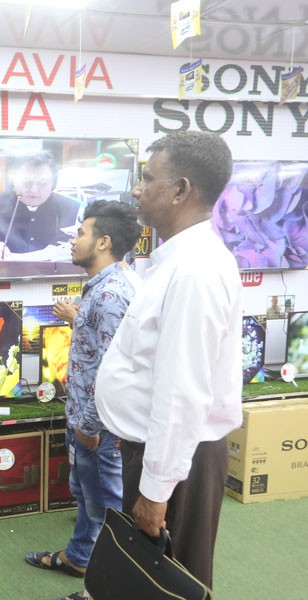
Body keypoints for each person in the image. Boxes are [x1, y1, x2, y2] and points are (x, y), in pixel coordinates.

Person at [95, 131, 242, 589]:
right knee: (141, 580)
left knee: (168, 582)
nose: (136, 190)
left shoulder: (195, 271)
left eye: (147, 178)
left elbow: (183, 390)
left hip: (179, 463)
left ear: (180, 190)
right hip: (162, 454)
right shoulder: (176, 262)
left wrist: (157, 490)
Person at [24, 201, 142, 600]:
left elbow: (114, 371)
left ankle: (105, 591)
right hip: (83, 418)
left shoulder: (111, 294)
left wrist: (89, 426)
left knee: (107, 512)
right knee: (87, 497)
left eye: (80, 233)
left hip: (97, 426)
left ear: (103, 242)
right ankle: (79, 557)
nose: (73, 241)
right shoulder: (103, 286)